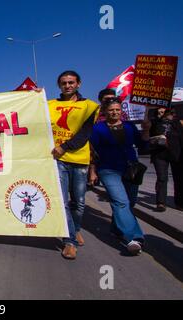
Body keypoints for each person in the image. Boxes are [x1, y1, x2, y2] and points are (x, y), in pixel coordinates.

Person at [48, 71, 100, 260]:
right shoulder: (49, 105)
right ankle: (69, 242)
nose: (67, 85)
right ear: (59, 85)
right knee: (62, 202)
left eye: (71, 82)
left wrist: (65, 146)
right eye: (63, 83)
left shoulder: (90, 106)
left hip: (79, 160)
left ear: (78, 83)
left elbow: (85, 133)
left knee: (78, 202)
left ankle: (76, 228)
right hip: (58, 160)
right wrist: (33, 97)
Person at [89, 98, 150, 255]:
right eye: (111, 110)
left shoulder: (129, 127)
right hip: (108, 169)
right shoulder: (98, 129)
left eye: (117, 109)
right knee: (120, 202)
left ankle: (116, 229)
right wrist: (92, 170)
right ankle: (134, 238)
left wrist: (146, 131)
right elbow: (92, 151)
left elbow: (143, 146)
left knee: (130, 202)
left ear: (121, 111)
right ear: (105, 111)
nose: (114, 112)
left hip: (131, 169)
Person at [149, 108, 183, 212]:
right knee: (162, 178)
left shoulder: (177, 123)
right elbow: (148, 136)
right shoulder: (154, 123)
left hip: (176, 154)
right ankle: (161, 203)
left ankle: (180, 202)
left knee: (179, 179)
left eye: (163, 112)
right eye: (159, 113)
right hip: (160, 155)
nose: (161, 114)